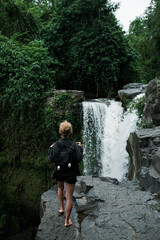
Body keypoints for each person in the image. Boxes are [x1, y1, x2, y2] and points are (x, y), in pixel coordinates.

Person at [48, 120, 83, 227]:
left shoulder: (56, 145)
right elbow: (78, 158)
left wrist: (51, 148)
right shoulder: (74, 145)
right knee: (69, 196)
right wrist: (80, 148)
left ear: (60, 132)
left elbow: (51, 158)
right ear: (70, 132)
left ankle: (61, 208)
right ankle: (67, 221)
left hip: (59, 171)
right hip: (71, 172)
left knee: (60, 188)